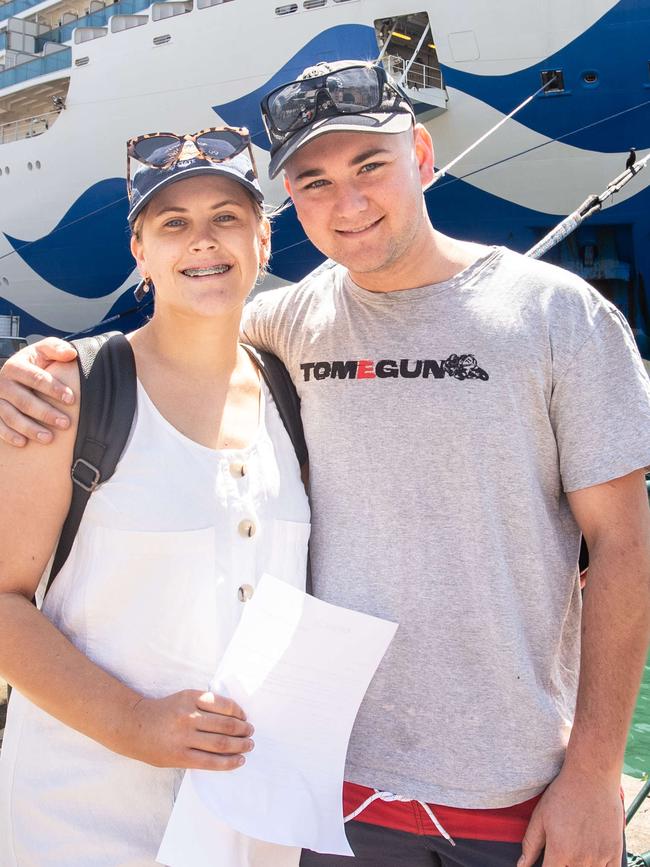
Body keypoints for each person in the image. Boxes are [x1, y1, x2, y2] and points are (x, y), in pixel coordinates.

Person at [2, 60, 650, 867]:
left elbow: (623, 547)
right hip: (325, 799)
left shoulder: (559, 315)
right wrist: (28, 372)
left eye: (369, 166)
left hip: (511, 797)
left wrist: (593, 772)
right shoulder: (286, 329)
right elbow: (179, 339)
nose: (346, 204)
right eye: (313, 181)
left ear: (421, 153)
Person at [0, 129, 309, 866]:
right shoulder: (70, 394)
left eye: (227, 217)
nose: (203, 240)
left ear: (264, 241)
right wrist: (134, 721)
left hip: (255, 827)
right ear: (141, 252)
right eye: (173, 223)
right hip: (82, 826)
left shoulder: (293, 394)